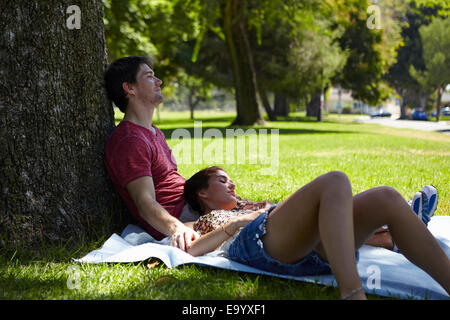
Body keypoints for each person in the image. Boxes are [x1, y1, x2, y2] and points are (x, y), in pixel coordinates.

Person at [182, 166, 450, 300]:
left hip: (304, 243)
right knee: (336, 180)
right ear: (202, 193)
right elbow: (193, 249)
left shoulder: (249, 204)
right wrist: (238, 223)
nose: (232, 183)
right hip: (256, 240)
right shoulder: (209, 219)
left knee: (387, 198)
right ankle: (353, 292)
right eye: (221, 180)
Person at [103, 56, 201, 252]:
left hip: (194, 205)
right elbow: (144, 201)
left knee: (264, 212)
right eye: (149, 76)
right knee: (260, 222)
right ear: (129, 88)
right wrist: (177, 229)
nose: (159, 81)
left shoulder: (154, 131)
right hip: (181, 217)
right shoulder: (130, 140)